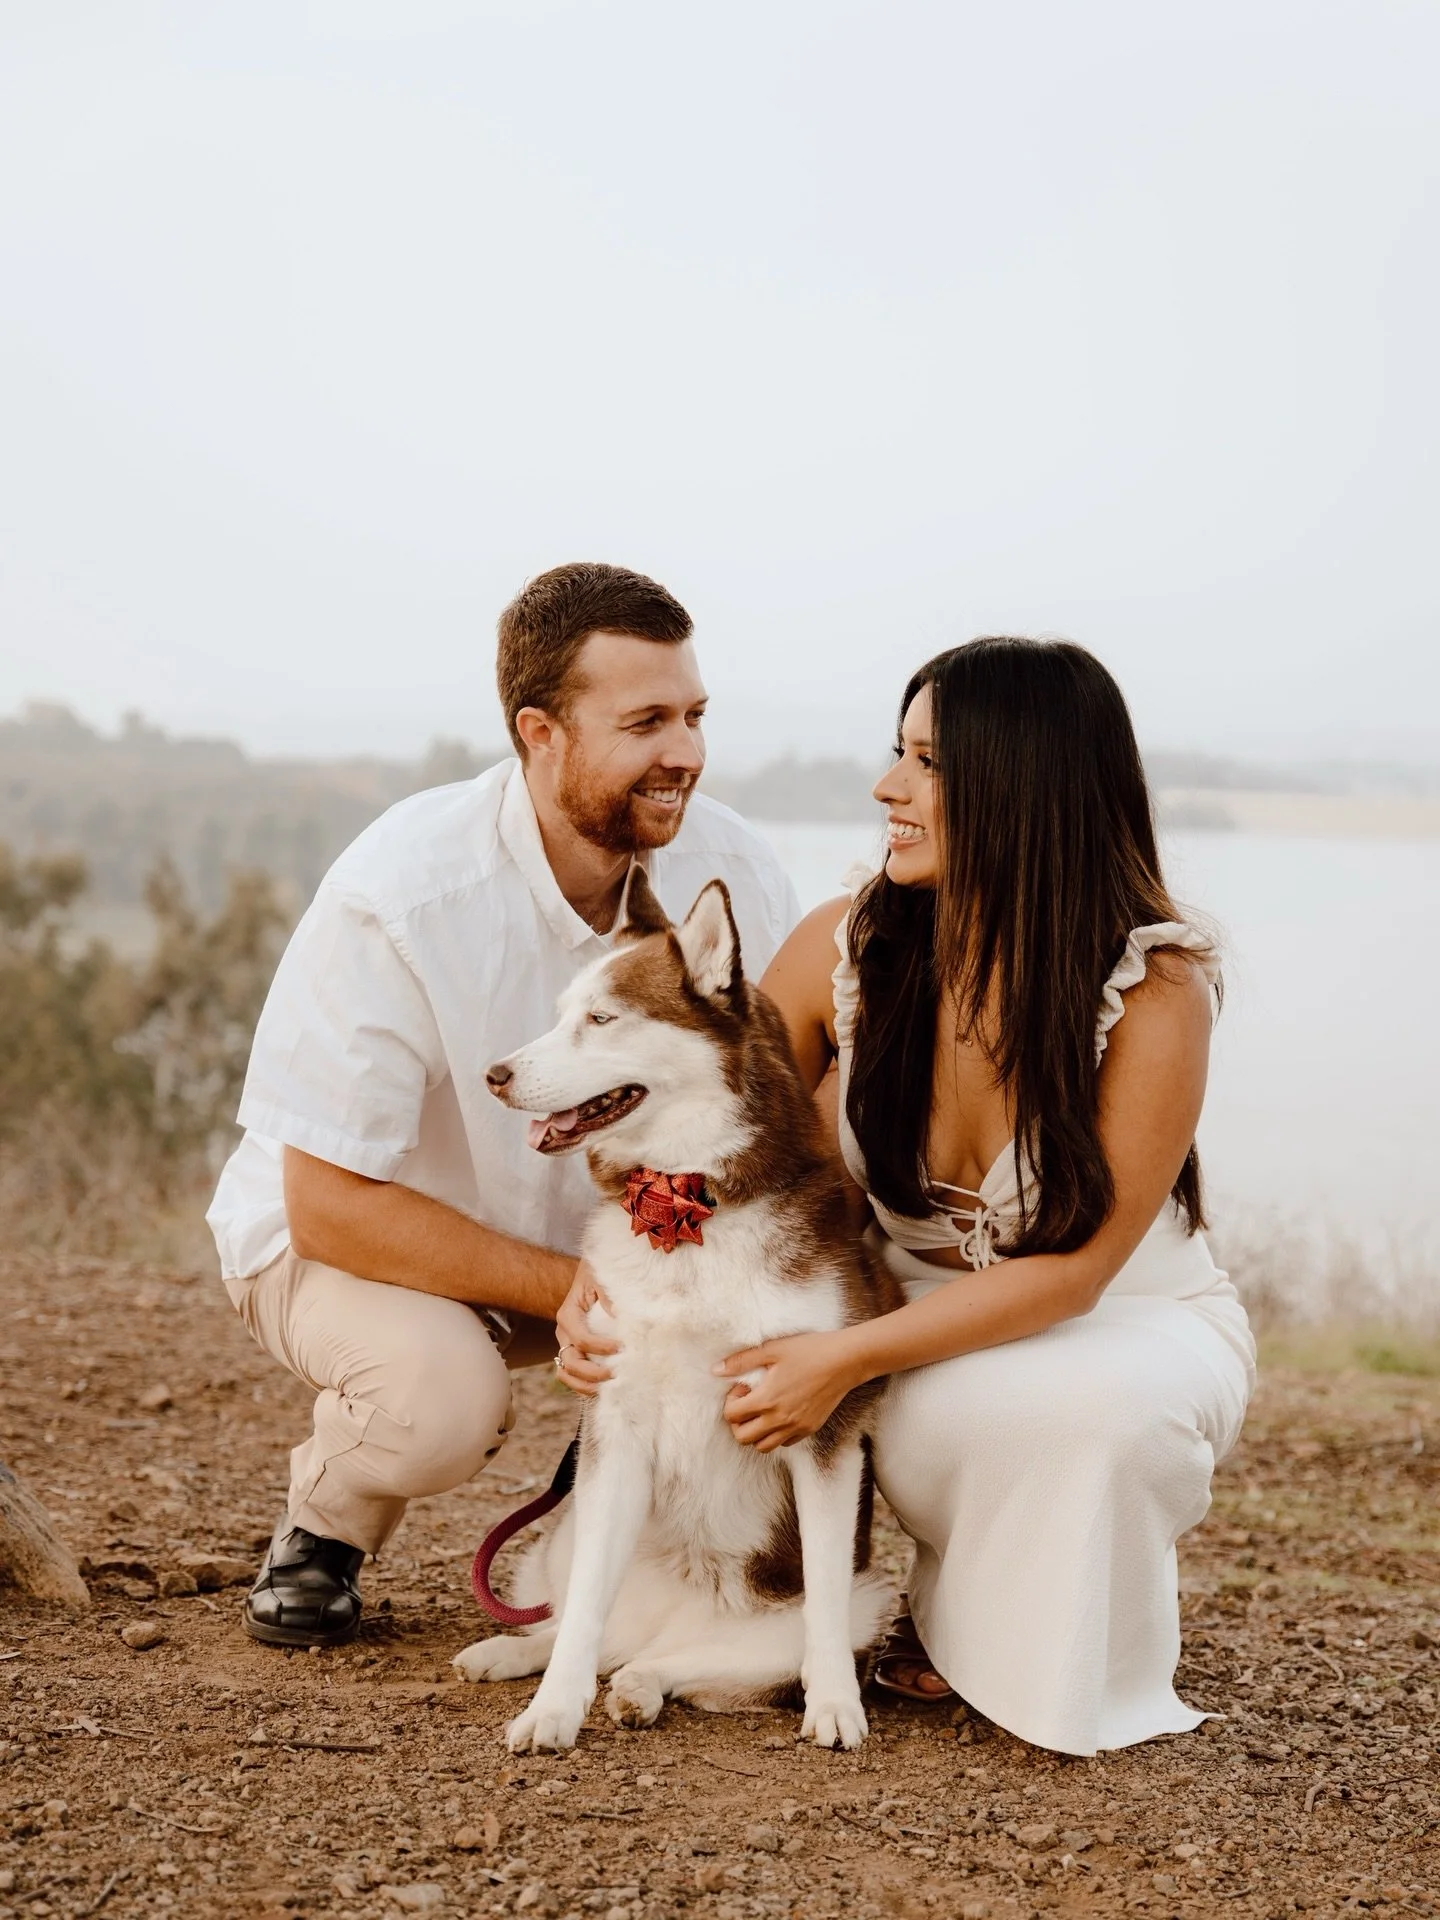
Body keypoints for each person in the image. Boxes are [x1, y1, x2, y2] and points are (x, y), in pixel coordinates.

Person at [559, 636, 1256, 1757]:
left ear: (1025, 784)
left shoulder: (1154, 985)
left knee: (1082, 1416)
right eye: (898, 752)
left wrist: (843, 1357)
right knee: (902, 1410)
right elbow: (699, 1125)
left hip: (1126, 1311)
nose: (888, 787)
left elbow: (1076, 1275)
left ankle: (1033, 1650)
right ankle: (903, 1613)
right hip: (893, 1298)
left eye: (928, 762)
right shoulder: (846, 946)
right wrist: (611, 1295)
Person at [206, 562, 799, 1648]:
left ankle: (739, 1572)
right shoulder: (402, 889)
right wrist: (581, 1285)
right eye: (647, 722)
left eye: (697, 716)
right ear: (542, 732)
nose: (688, 754)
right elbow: (328, 1204)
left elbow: (798, 1105)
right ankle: (324, 1525)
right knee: (439, 1402)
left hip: (601, 1255)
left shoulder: (735, 872)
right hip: (347, 1246)